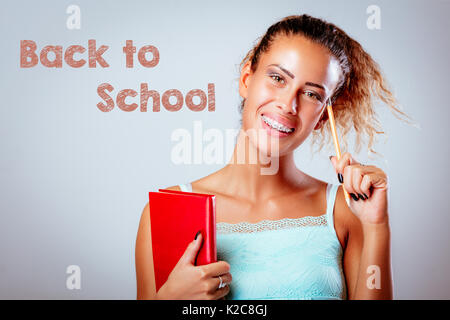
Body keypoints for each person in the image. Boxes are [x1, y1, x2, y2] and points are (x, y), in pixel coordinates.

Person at [135, 14, 411, 300]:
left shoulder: (346, 210)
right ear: (246, 79)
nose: (288, 104)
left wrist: (376, 226)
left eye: (312, 95)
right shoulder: (167, 212)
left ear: (321, 118)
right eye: (278, 78)